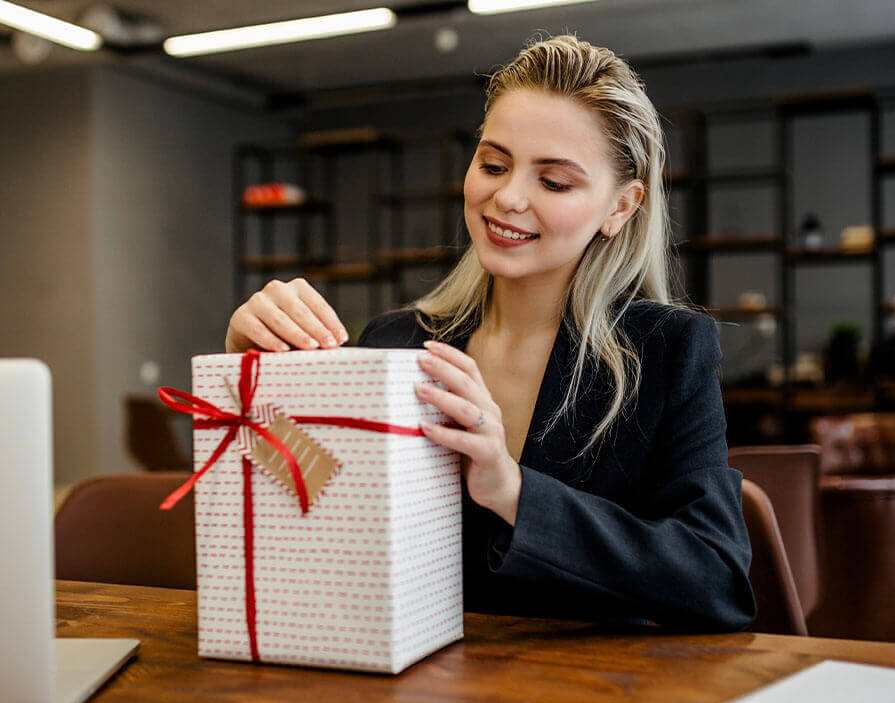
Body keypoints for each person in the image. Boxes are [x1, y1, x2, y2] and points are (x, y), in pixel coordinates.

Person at [223, 35, 755, 631]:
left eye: (554, 182)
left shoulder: (667, 351)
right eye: (493, 164)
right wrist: (254, 387)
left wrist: (512, 490)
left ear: (621, 208)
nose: (507, 198)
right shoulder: (394, 342)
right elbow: (313, 510)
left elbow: (717, 578)